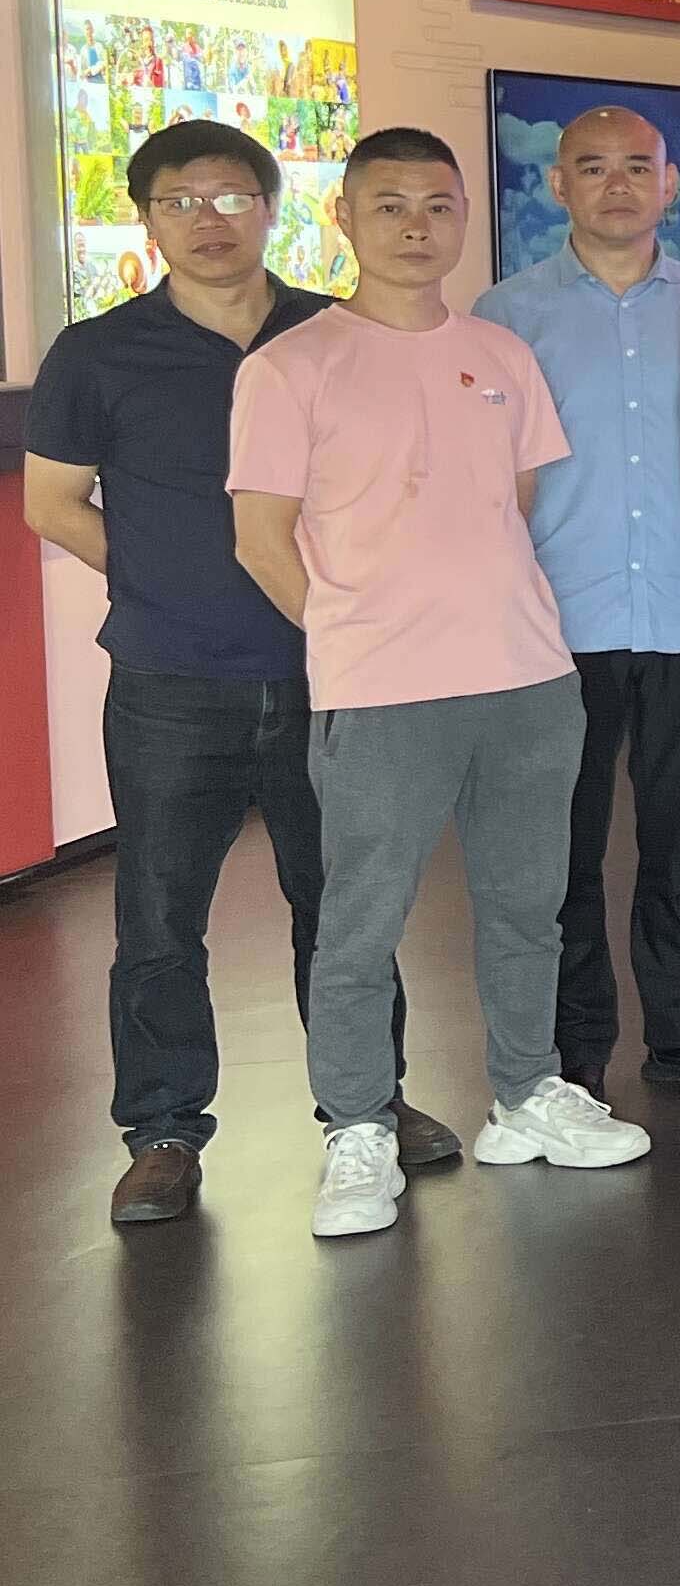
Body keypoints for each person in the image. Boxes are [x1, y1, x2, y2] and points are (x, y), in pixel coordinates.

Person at [29, 120, 460, 1223]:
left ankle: (368, 1104)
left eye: (229, 197)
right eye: (178, 202)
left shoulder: (337, 332)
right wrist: (165, 575)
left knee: (344, 905)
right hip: (171, 683)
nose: (207, 221)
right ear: (146, 219)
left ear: (272, 209)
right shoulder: (99, 352)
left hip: (329, 673)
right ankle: (164, 1130)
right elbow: (53, 504)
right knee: (159, 916)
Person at [228, 130, 652, 1239]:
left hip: (526, 678)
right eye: (390, 206)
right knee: (360, 923)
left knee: (528, 906)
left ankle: (526, 1094)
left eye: (438, 206)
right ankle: (358, 1127)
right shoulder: (290, 367)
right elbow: (260, 538)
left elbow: (511, 506)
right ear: (343, 218)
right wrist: (351, 634)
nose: (416, 227)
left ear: (465, 217)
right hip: (381, 693)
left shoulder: (500, 354)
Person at [479, 105, 680, 1105]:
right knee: (564, 851)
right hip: (556, 624)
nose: (617, 185)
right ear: (557, 185)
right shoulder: (504, 315)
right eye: (592, 167)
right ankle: (574, 1045)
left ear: (671, 184)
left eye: (638, 167)